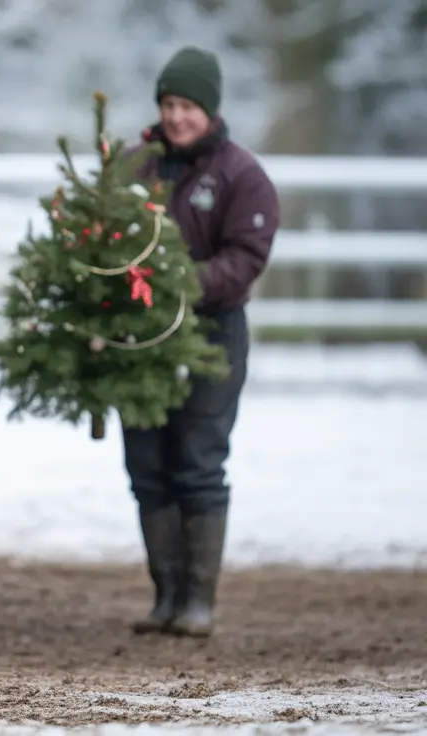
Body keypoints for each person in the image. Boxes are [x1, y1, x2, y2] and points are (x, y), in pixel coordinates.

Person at [122, 46, 279, 637]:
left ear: (209, 109)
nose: (176, 116)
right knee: (147, 465)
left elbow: (246, 257)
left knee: (198, 461)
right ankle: (165, 596)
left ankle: (198, 602)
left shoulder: (241, 175)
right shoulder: (136, 165)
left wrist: (182, 284)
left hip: (213, 333)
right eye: (168, 103)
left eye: (187, 105)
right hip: (142, 339)